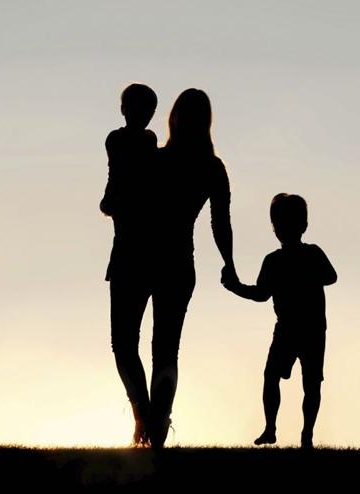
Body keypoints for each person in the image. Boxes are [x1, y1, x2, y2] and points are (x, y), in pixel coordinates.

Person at [144, 88, 237, 448]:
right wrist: (229, 263)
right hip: (181, 260)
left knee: (134, 343)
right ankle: (158, 427)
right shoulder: (212, 167)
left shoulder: (157, 159)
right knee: (167, 349)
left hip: (145, 256)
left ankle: (146, 419)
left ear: (173, 118)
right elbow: (220, 222)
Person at [222, 193, 337, 449]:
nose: (282, 228)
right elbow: (262, 294)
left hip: (305, 329)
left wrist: (235, 287)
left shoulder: (294, 257)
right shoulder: (278, 260)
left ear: (302, 225)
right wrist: (236, 287)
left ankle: (301, 434)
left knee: (305, 382)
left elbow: (330, 277)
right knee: (283, 378)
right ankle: (276, 429)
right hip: (297, 329)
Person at [100, 83, 158, 446]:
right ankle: (145, 417)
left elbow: (114, 191)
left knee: (123, 343)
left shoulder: (119, 141)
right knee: (132, 343)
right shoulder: (148, 143)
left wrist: (110, 204)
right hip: (146, 253)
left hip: (127, 254)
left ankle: (143, 417)